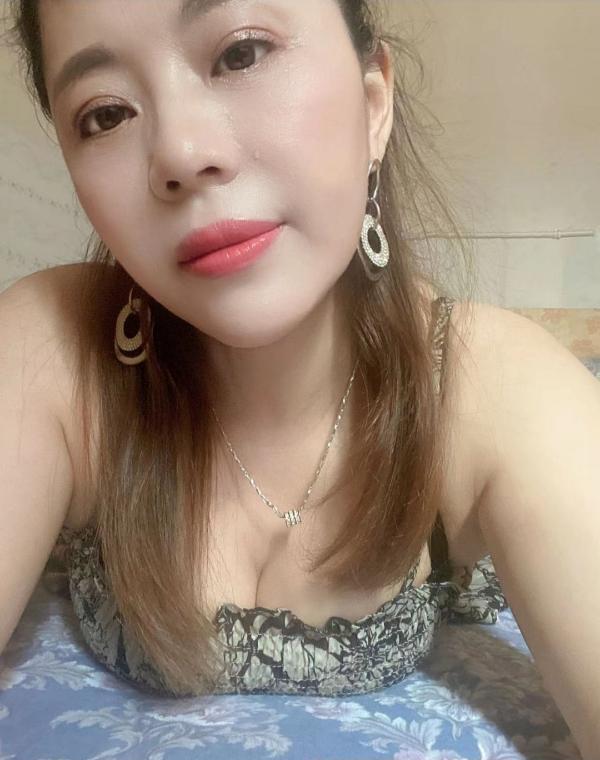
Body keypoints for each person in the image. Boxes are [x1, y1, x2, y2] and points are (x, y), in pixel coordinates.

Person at [2, 1, 599, 756]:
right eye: (106, 113)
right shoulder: (50, 349)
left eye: (242, 53)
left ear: (373, 105)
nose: (179, 154)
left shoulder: (493, 387)